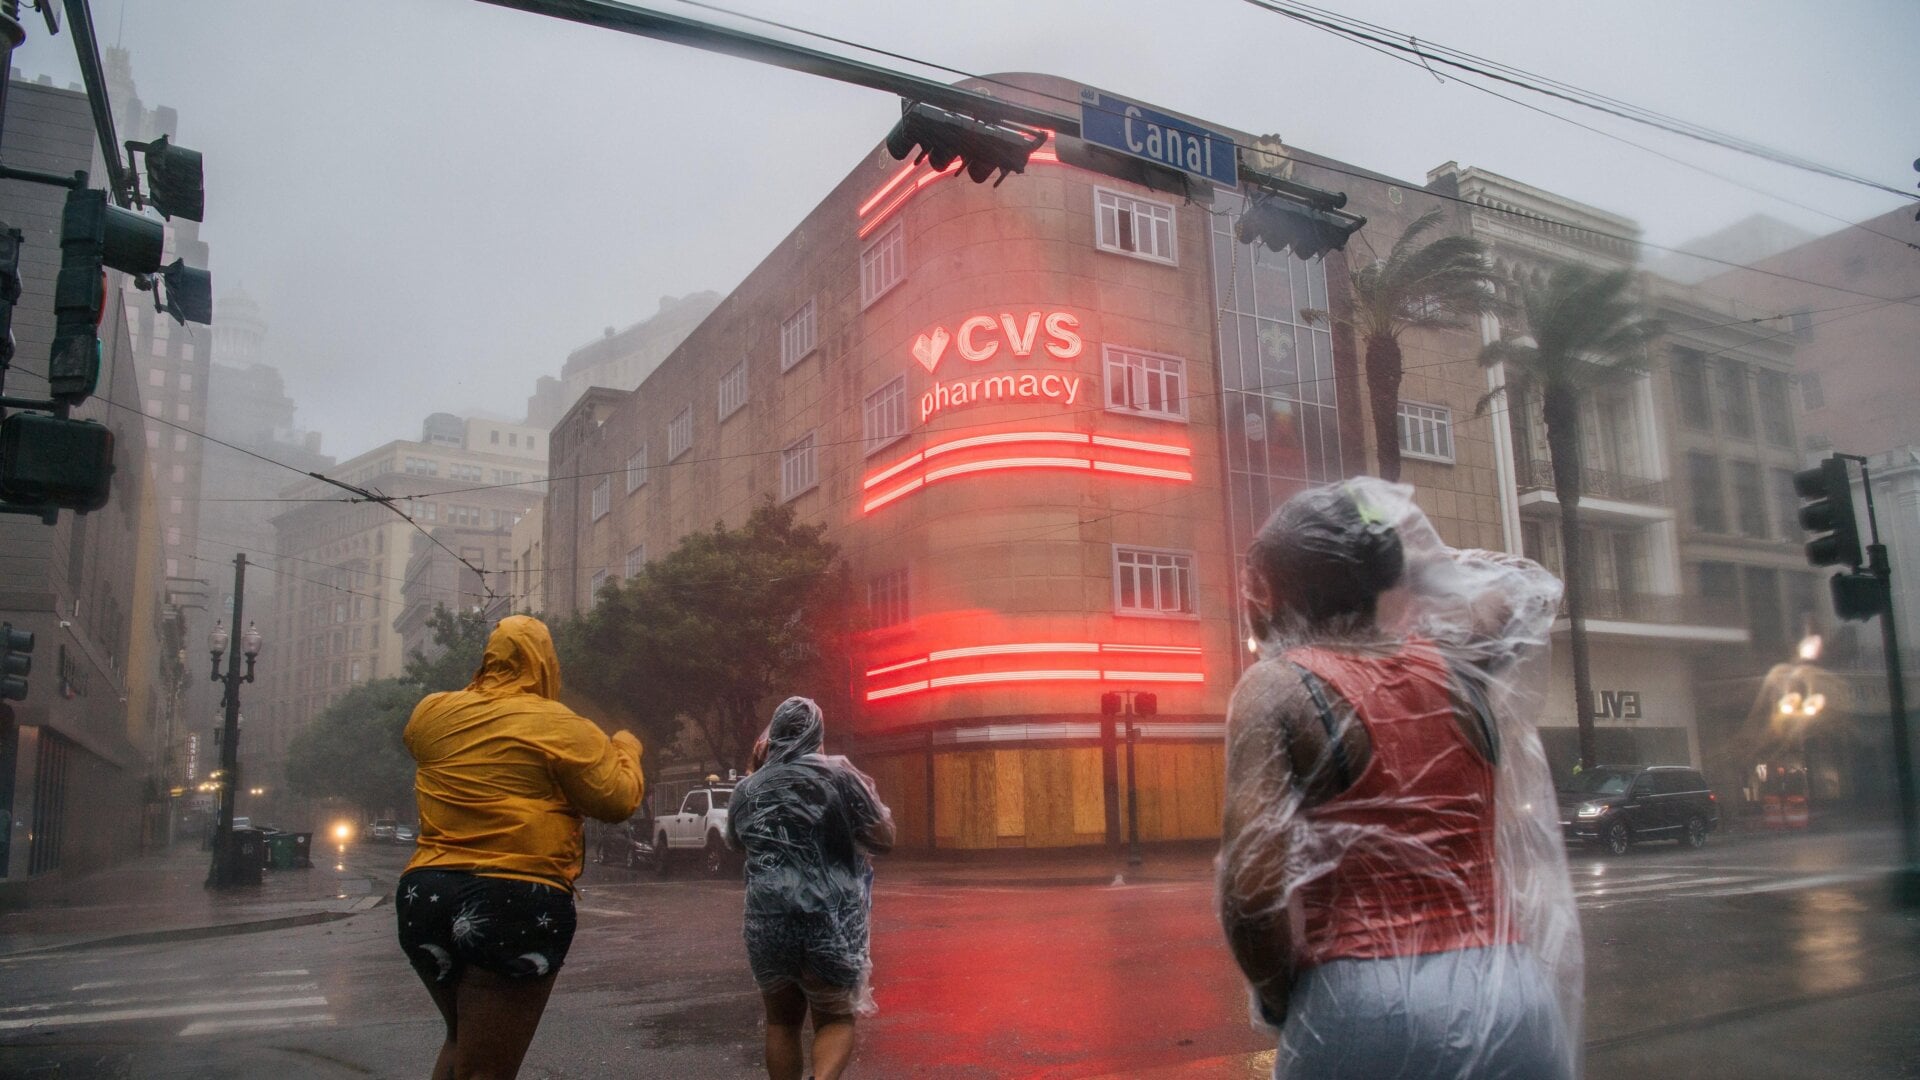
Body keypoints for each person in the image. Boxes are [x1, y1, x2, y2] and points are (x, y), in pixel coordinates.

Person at [1217, 479, 1580, 1080]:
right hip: (1510, 992)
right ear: (1384, 579)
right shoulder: (1459, 667)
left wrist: (1280, 996)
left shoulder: (1278, 687)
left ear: (1274, 588)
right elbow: (1526, 588)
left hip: (1361, 1005)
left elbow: (1251, 894)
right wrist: (1401, 565)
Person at [397, 615, 644, 1080]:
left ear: (489, 658)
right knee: (487, 1068)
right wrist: (626, 748)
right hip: (513, 899)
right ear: (546, 664)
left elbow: (422, 744)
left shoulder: (430, 713)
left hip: (425, 895)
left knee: (461, 1041)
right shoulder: (563, 727)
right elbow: (616, 801)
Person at [726, 697, 895, 1080]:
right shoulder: (839, 775)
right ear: (816, 733)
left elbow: (736, 842)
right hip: (829, 919)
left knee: (781, 1022)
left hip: (768, 923)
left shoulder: (749, 789)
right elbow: (884, 838)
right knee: (834, 1018)